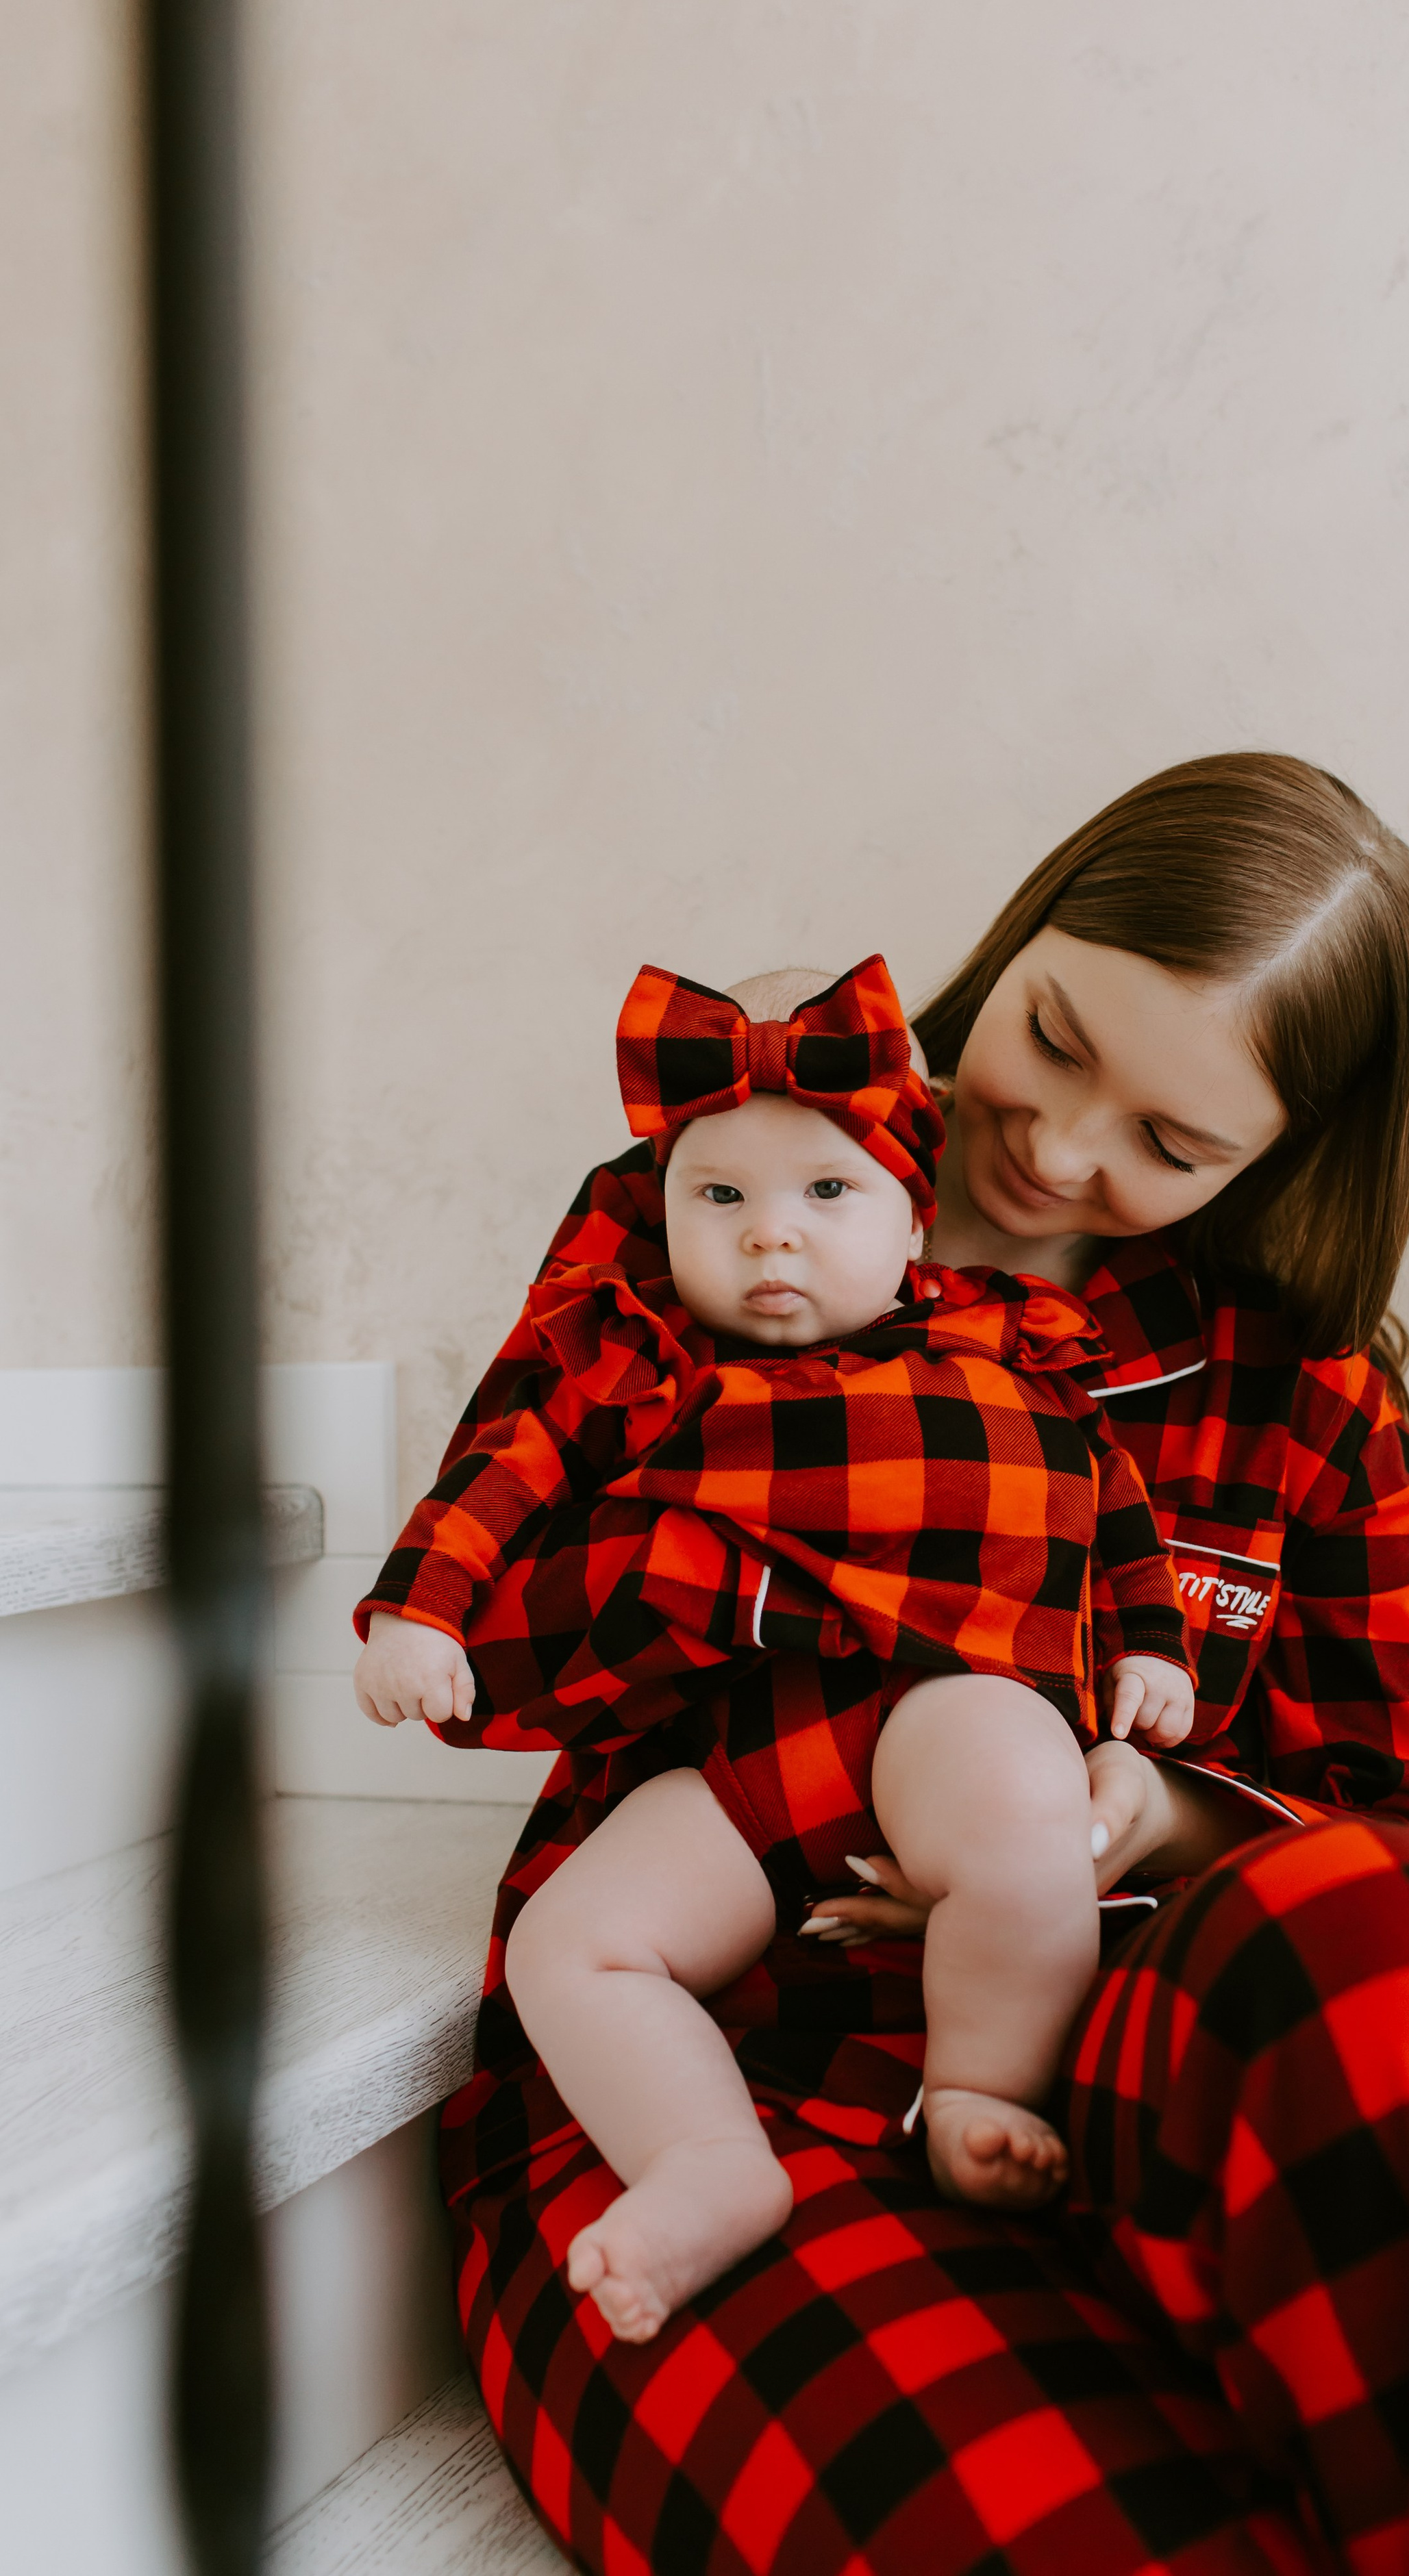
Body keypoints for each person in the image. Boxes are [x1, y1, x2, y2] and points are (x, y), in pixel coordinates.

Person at [355, 755, 1409, 2571]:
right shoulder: (734, 1211)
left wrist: (1153, 1816)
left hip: (1145, 2065)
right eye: (1052, 1038)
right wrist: (846, 1618)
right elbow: (502, 1648)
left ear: (1279, 1165)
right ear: (1021, 937)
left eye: (1173, 1145)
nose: (1056, 1150)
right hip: (738, 2082)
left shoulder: (1306, 1412)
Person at [358, 952, 1197, 2343]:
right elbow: (503, 1467)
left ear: (910, 1218)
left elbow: (1113, 1506)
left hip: (942, 1702)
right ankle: (705, 2163)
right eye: (721, 1197)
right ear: (665, 1211)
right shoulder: (637, 1364)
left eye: (825, 1194)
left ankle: (984, 2082)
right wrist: (420, 1610)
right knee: (576, 1942)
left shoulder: (1010, 1342)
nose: (769, 1238)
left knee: (1026, 1823)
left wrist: (1151, 1649)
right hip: (748, 1758)